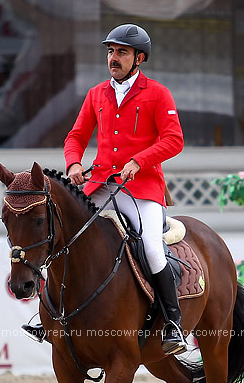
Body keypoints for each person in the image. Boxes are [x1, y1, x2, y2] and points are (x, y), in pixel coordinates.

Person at [24, 23, 186, 355]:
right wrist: (73, 164)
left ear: (139, 58)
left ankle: (172, 323)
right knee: (62, 232)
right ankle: (47, 316)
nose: (113, 58)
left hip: (140, 186)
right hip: (99, 182)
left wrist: (140, 161)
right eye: (111, 51)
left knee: (153, 249)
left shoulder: (157, 93)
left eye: (122, 52)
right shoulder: (97, 93)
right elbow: (76, 136)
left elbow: (174, 140)